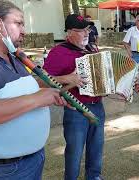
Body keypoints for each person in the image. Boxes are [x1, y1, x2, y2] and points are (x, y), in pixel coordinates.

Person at [0, 0, 67, 179]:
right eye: (18, 23)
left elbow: (28, 85)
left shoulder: (14, 57)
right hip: (3, 170)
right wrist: (38, 99)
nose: (24, 30)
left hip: (32, 159)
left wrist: (60, 85)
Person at [43, 14, 105, 180]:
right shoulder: (58, 52)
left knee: (96, 147)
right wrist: (66, 79)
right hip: (75, 109)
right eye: (81, 30)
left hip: (98, 106)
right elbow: (42, 80)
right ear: (69, 33)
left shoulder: (93, 49)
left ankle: (94, 177)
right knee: (75, 151)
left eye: (87, 29)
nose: (86, 33)